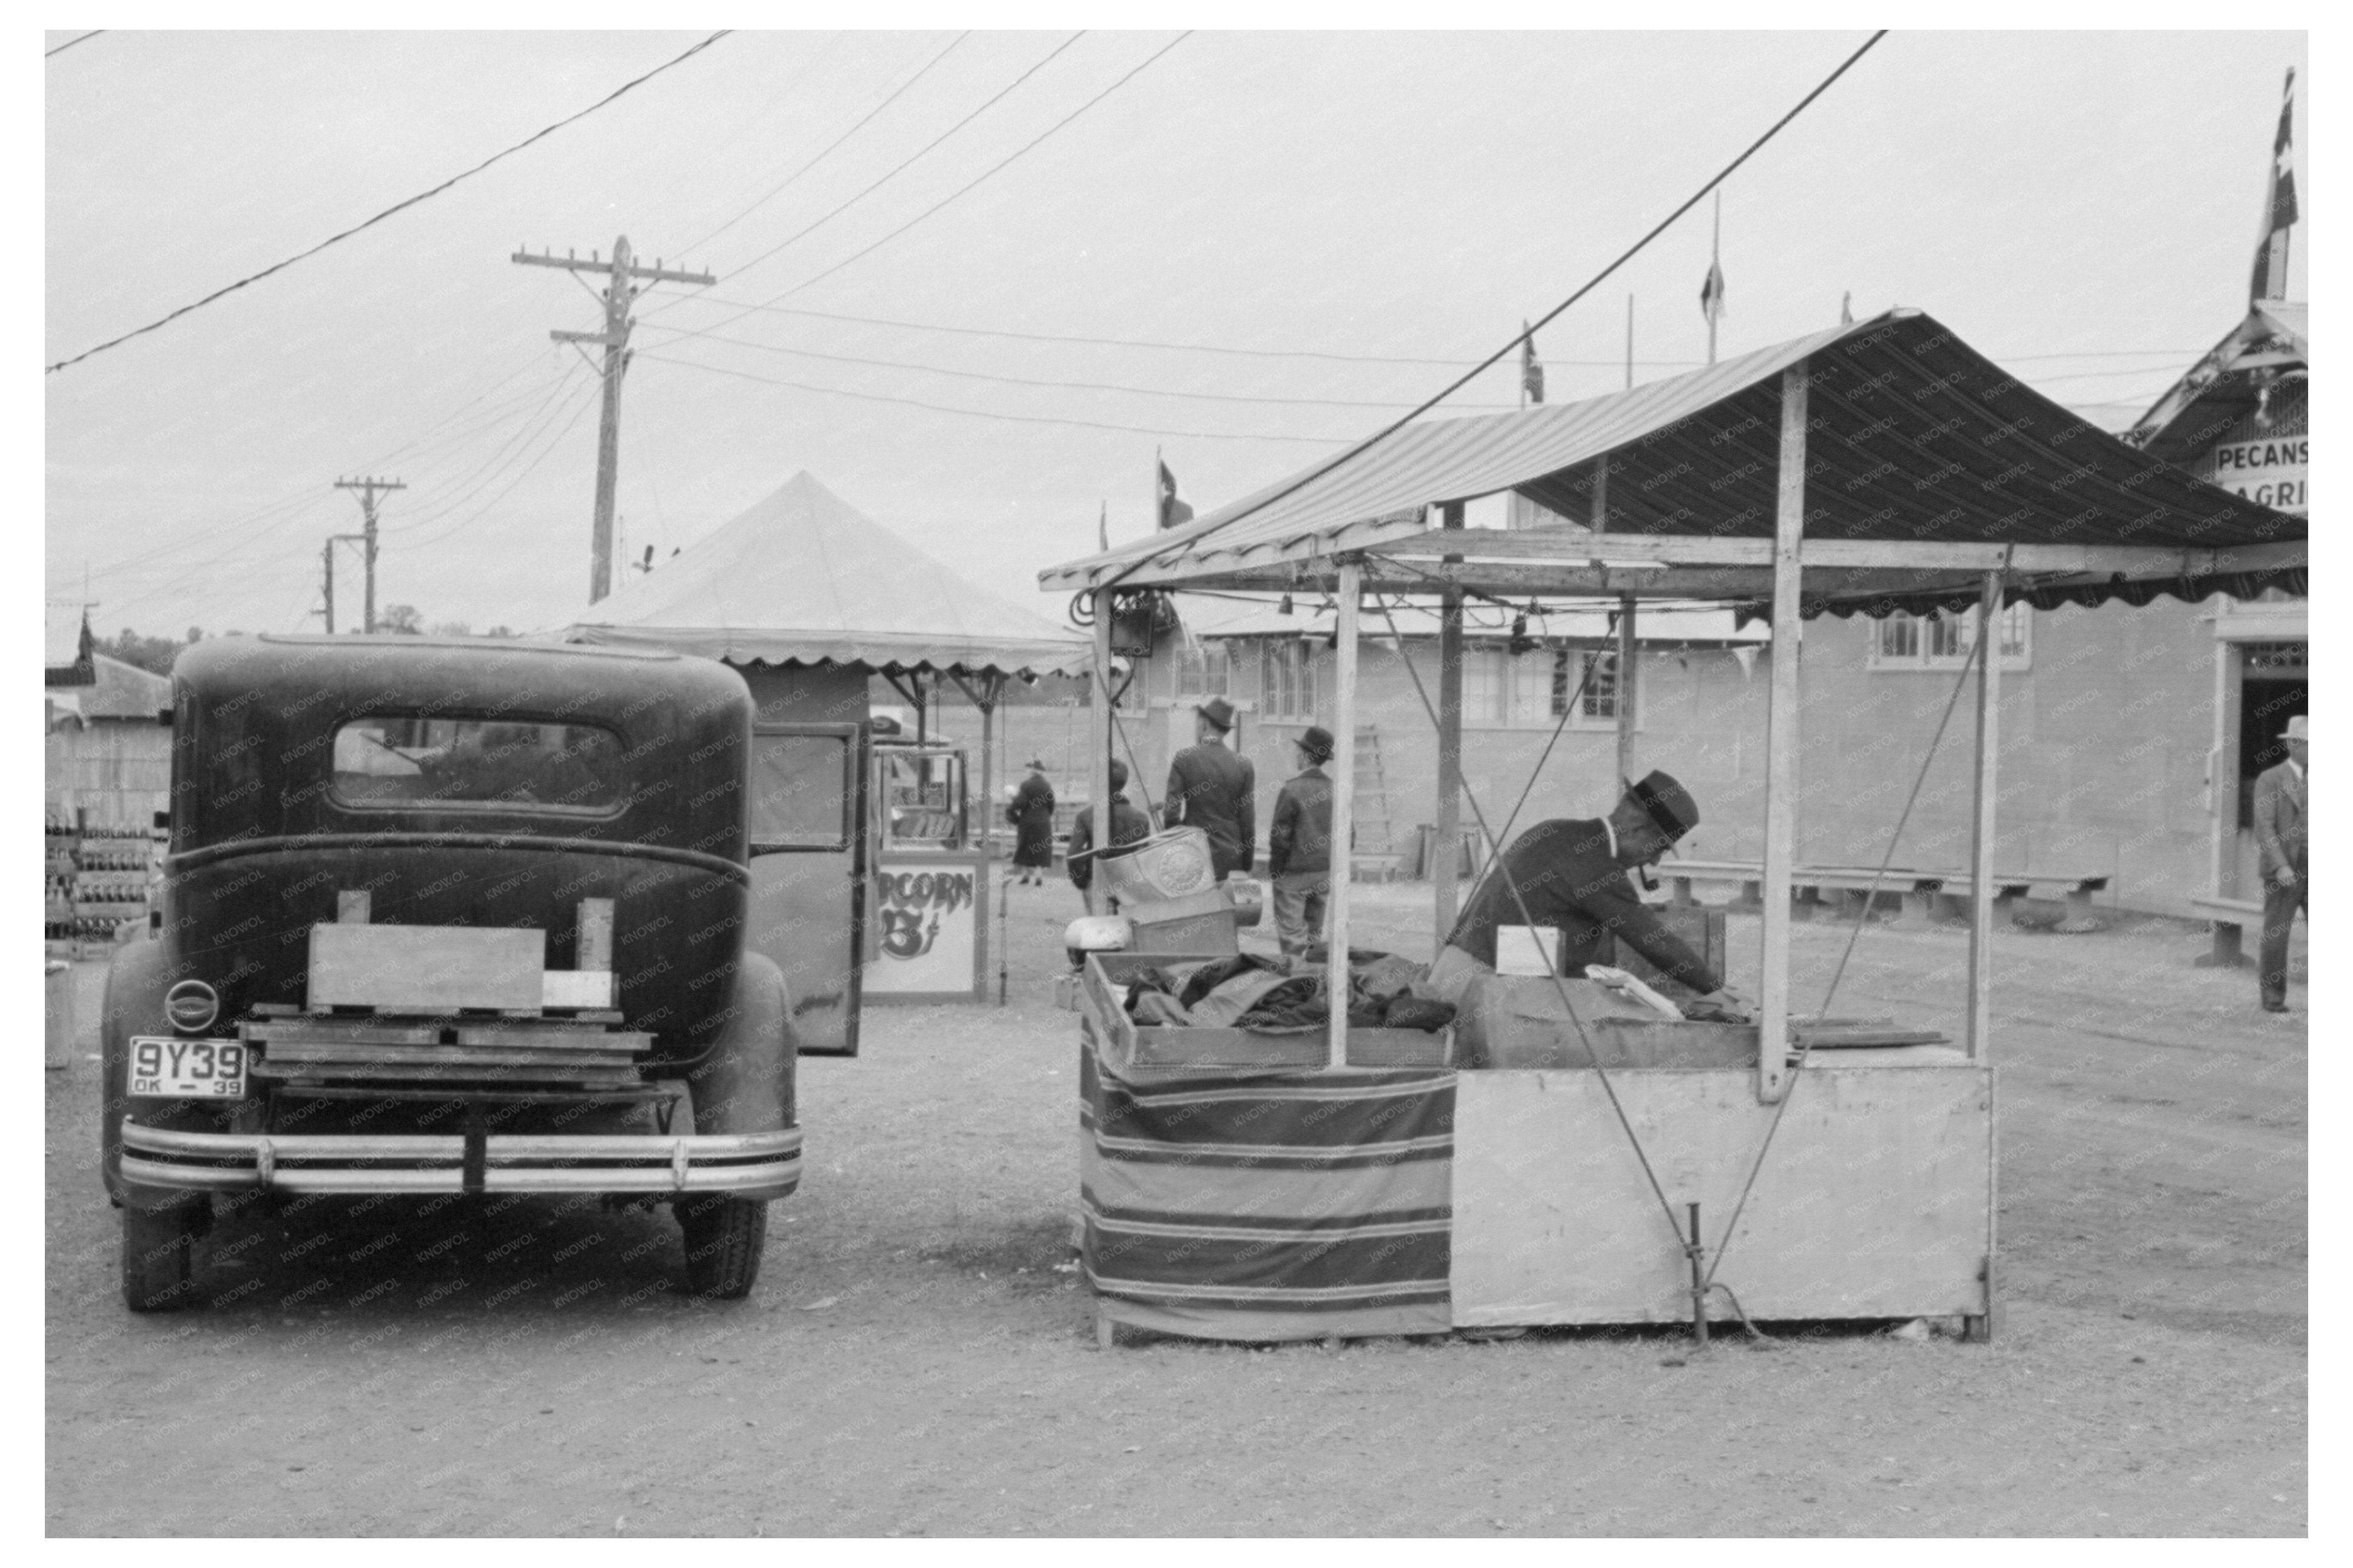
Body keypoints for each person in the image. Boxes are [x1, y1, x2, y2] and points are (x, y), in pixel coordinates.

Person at [1428, 769, 1746, 1018]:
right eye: (1659, 848)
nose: (1653, 861)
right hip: (1479, 987)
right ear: (1635, 829)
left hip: (1456, 972)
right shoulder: (1596, 863)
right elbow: (1654, 941)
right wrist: (1719, 992)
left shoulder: (1555, 829)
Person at [1164, 697, 1257, 882]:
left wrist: (1177, 847)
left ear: (1205, 724)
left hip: (1193, 852)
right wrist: (1246, 863)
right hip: (1231, 854)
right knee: (1225, 908)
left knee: (1194, 908)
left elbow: (1171, 813)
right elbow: (1247, 821)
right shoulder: (1244, 765)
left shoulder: (1184, 759)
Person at [2253, 715, 2308, 1013]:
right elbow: (2264, 826)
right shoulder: (2271, 779)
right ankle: (2273, 997)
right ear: (2294, 745)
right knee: (2276, 934)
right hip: (2286, 866)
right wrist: (2281, 866)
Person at [1267, 726, 1337, 957]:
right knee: (1313, 943)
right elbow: (1350, 837)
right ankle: (1312, 986)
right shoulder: (1336, 790)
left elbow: (1280, 837)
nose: (1297, 756)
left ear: (1306, 757)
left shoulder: (1292, 789)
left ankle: (1296, 984)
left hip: (1293, 875)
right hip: (1324, 874)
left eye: (1299, 752)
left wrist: (1276, 872)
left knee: (1293, 944)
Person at [1066, 759, 1156, 900]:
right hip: (1130, 885)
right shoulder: (1141, 818)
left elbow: (1074, 853)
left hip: (1097, 881)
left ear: (1101, 782)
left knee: (1097, 923)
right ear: (1124, 782)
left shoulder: (1086, 816)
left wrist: (1082, 882)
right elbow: (1145, 854)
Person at [1007, 760, 1056, 886]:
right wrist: (1045, 816)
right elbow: (1052, 805)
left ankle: (1026, 876)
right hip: (1044, 822)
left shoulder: (1026, 785)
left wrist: (1013, 813)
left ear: (1032, 772)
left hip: (1027, 822)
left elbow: (1020, 803)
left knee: (1025, 848)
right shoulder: (1047, 786)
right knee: (1041, 850)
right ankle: (1039, 876)